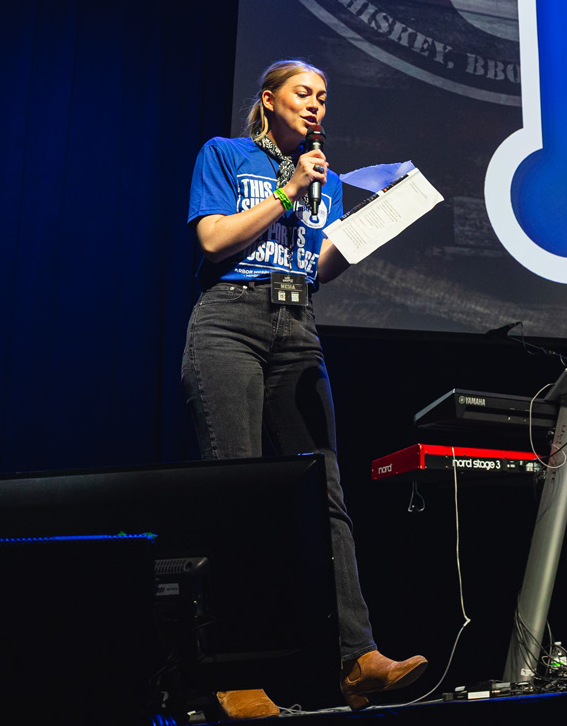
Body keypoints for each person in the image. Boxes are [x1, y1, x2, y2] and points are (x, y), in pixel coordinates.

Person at [181, 59, 427, 718]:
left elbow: (315, 266)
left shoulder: (327, 180)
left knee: (326, 494)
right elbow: (213, 241)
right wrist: (288, 192)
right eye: (302, 93)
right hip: (230, 322)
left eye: (322, 96)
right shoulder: (225, 154)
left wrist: (374, 226)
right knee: (236, 495)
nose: (315, 104)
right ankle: (234, 674)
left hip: (297, 326)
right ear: (269, 100)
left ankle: (358, 659)